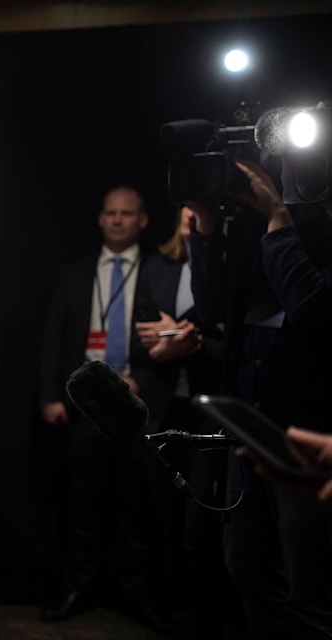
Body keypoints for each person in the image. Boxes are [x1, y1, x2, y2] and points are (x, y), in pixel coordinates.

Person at [187, 158, 332, 639]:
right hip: (249, 430)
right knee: (248, 572)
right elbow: (212, 311)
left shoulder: (310, 231)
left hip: (311, 433)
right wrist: (206, 229)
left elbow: (312, 311)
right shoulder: (253, 232)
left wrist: (278, 220)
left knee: (310, 590)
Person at [37, 185, 171, 631]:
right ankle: (80, 586)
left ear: (143, 220)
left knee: (138, 506)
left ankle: (138, 593)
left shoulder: (158, 271)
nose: (117, 220)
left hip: (138, 407)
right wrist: (50, 395)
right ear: (100, 219)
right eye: (110, 213)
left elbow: (172, 339)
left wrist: (145, 381)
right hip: (85, 406)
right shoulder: (77, 272)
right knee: (83, 504)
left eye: (126, 214)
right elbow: (54, 336)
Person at [133, 203, 239, 640]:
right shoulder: (157, 267)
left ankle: (201, 623)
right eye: (185, 202)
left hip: (206, 417)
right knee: (164, 524)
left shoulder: (227, 266)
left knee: (198, 531)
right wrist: (168, 347)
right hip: (162, 414)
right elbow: (139, 346)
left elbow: (229, 345)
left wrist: (180, 342)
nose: (191, 210)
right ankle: (173, 618)